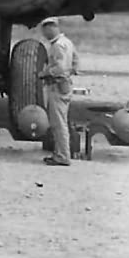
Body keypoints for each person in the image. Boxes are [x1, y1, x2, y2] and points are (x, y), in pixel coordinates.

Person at [39, 17, 79, 167]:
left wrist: (45, 73)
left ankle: (62, 156)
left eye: (44, 29)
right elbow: (75, 61)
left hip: (57, 85)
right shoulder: (67, 42)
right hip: (66, 84)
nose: (43, 33)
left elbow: (59, 68)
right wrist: (69, 74)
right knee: (61, 121)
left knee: (58, 123)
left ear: (50, 28)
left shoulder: (57, 46)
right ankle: (61, 153)